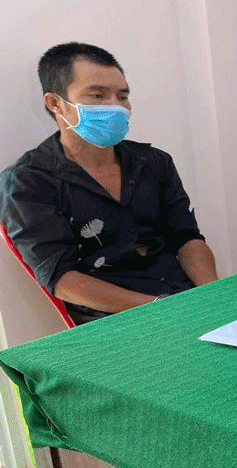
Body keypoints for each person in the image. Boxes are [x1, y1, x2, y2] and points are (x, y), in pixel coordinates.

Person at [0, 43, 218, 323]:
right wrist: (161, 307)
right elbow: (61, 279)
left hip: (184, 299)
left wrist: (213, 294)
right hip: (112, 321)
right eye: (98, 95)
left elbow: (187, 238)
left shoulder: (154, 162)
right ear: (55, 103)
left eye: (122, 96)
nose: (116, 106)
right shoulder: (27, 181)